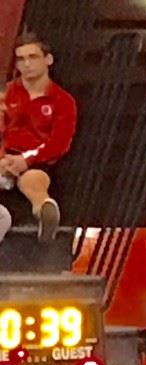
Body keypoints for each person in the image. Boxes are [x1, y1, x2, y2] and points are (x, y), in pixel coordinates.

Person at [0, 32, 77, 241]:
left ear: (48, 59)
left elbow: (59, 143)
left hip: (38, 161)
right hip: (5, 157)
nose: (26, 64)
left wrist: (26, 160)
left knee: (34, 180)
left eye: (32, 57)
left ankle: (44, 210)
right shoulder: (7, 93)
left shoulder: (63, 101)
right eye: (21, 59)